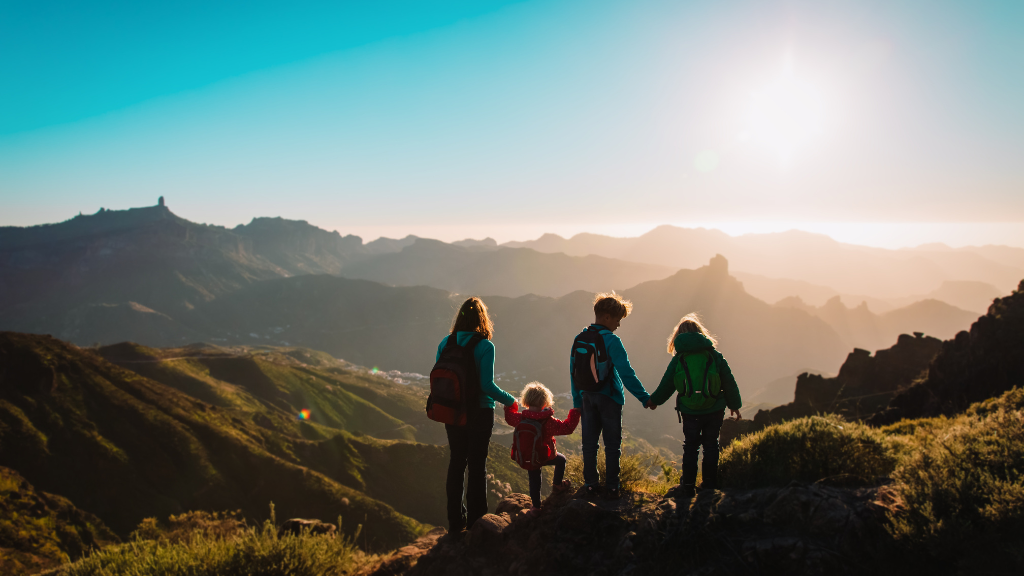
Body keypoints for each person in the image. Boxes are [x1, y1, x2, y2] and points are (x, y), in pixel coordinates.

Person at [438, 297, 517, 533]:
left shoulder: (446, 342)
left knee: (456, 463)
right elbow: (486, 385)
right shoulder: (485, 346)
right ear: (483, 319)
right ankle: (476, 523)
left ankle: (455, 522)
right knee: (477, 466)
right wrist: (510, 399)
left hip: (452, 412)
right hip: (479, 412)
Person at [647, 313, 742, 499]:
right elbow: (728, 381)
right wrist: (734, 405)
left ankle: (688, 486)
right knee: (711, 446)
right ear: (700, 333)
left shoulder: (679, 358)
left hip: (690, 411)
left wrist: (654, 401)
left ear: (678, 337)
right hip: (714, 409)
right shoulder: (714, 355)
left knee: (690, 447)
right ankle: (709, 485)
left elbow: (667, 384)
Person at [570, 292, 652, 500]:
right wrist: (644, 397)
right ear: (606, 317)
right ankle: (612, 487)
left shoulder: (580, 339)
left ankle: (590, 485)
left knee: (589, 444)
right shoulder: (612, 341)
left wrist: (577, 402)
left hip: (587, 397)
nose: (618, 324)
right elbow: (626, 373)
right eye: (617, 319)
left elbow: (573, 372)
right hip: (610, 398)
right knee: (612, 445)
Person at [504, 382, 581, 510]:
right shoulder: (548, 421)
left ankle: (535, 508)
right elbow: (567, 428)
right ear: (545, 402)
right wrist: (575, 412)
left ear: (526, 401)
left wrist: (511, 405)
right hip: (545, 455)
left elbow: (508, 417)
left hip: (528, 456)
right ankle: (557, 485)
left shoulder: (520, 418)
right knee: (561, 460)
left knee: (534, 479)